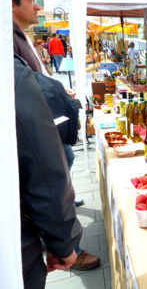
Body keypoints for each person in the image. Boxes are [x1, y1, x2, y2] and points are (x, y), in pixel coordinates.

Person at [12, 0, 100, 271]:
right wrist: (63, 244)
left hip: (45, 129)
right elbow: (42, 170)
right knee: (54, 172)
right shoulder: (8, 44)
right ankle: (68, 249)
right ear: (10, 3)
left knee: (63, 165)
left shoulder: (17, 37)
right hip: (39, 135)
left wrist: (59, 91)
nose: (38, 6)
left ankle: (63, 232)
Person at [14, 53, 82, 289]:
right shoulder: (11, 71)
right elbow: (45, 171)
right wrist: (63, 244)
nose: (38, 12)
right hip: (16, 245)